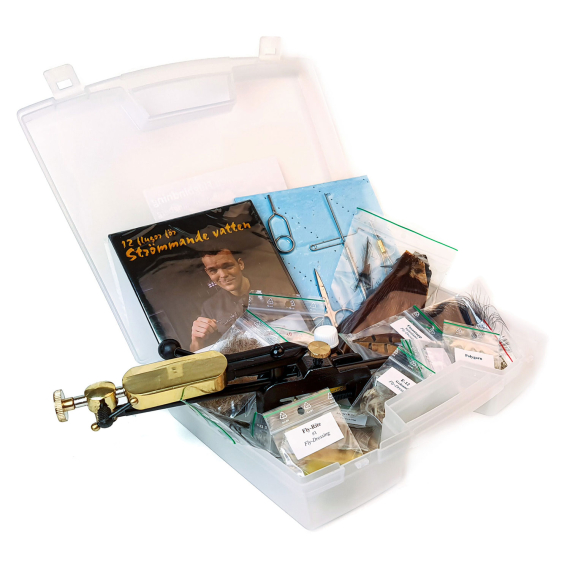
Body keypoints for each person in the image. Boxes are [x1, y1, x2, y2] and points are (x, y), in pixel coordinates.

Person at [190, 248, 252, 351]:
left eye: (228, 266)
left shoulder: (272, 285)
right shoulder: (210, 306)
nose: (223, 275)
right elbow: (196, 355)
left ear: (240, 264)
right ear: (208, 273)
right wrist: (197, 341)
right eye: (213, 270)